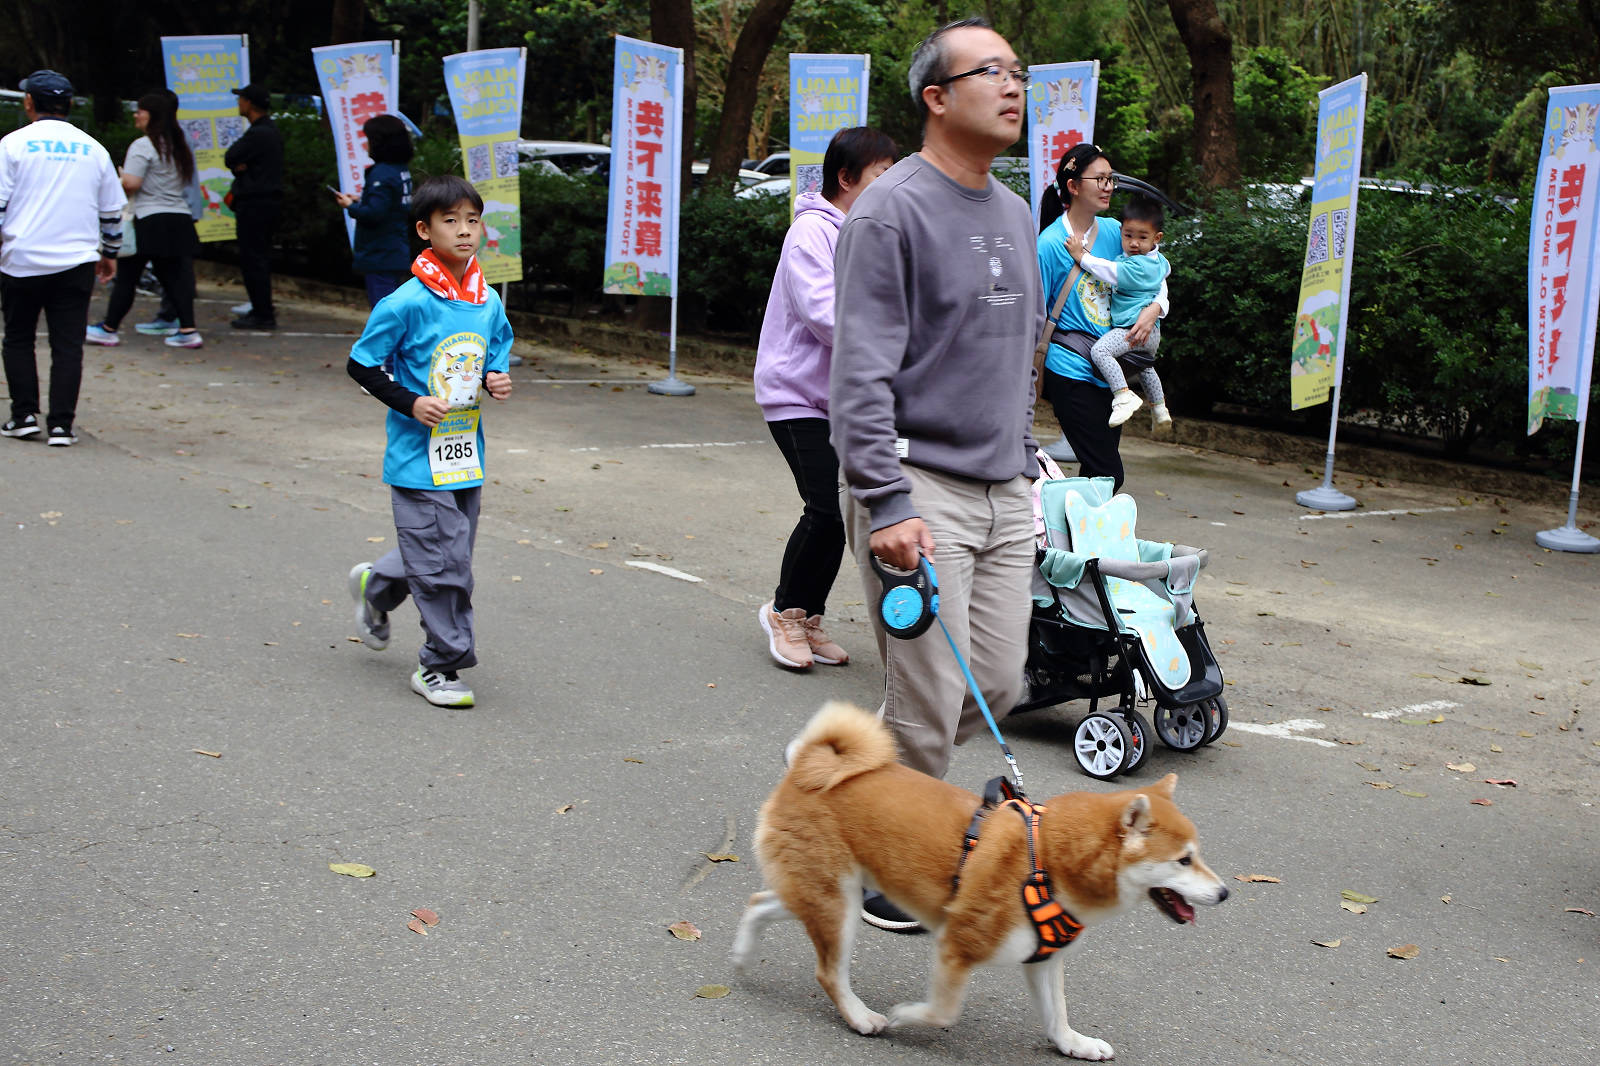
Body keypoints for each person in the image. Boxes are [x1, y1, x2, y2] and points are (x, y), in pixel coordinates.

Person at [830, 17, 1042, 931]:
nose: (1013, 86)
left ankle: (862, 786)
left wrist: (1033, 464)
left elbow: (1013, 352)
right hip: (918, 491)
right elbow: (860, 371)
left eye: (1018, 73)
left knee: (998, 687)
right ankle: (892, 863)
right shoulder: (890, 210)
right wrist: (884, 501)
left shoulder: (1016, 209)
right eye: (991, 71)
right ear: (937, 97)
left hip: (1007, 486)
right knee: (928, 702)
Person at [344, 175, 514, 709]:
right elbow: (361, 363)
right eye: (451, 221)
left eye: (472, 220)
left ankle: (378, 583)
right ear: (424, 230)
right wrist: (410, 403)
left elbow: (497, 347)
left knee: (448, 554)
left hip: (465, 454)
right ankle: (439, 665)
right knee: (446, 569)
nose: (465, 231)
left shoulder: (485, 298)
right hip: (417, 458)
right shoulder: (407, 300)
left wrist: (495, 377)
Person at [754, 125, 896, 671]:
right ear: (846, 177)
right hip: (796, 396)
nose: (892, 189)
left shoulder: (869, 232)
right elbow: (824, 314)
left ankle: (808, 618)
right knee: (827, 508)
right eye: (882, 177)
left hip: (841, 400)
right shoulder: (812, 232)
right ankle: (784, 613)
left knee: (844, 509)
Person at [0, 70, 125, 447]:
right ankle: (61, 425)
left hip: (20, 258)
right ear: (69, 105)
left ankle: (23, 416)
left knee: (18, 338)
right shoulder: (94, 149)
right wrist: (110, 253)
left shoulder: (12, 145)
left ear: (28, 103)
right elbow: (112, 212)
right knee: (67, 344)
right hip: (77, 261)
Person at [1035, 143, 1168, 490]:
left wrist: (1154, 310)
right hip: (1070, 369)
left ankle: (1071, 542)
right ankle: (1058, 531)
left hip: (1112, 373)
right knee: (1109, 473)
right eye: (1100, 178)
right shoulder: (1049, 244)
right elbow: (1033, 313)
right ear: (1074, 186)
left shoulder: (1118, 232)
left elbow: (1155, 277)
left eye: (1111, 179)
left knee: (1097, 477)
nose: (1109, 186)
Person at [85, 91, 204, 350]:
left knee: (128, 276)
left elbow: (131, 184)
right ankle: (188, 329)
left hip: (150, 218)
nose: (136, 115)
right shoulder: (180, 144)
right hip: (179, 216)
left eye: (140, 111)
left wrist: (118, 179)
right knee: (176, 276)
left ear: (153, 115)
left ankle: (108, 329)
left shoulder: (142, 145)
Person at [1066, 194, 1172, 427]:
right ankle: (1160, 409)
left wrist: (1080, 255)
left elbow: (1107, 270)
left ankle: (1123, 396)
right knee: (1144, 367)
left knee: (1100, 352)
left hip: (1133, 329)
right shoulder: (1160, 262)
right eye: (1128, 236)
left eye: (1142, 237)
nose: (1134, 243)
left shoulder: (1137, 266)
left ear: (1157, 237)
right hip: (1151, 333)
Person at [334, 114, 415, 307]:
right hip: (395, 249)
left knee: (384, 312)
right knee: (393, 309)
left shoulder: (382, 173)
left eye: (369, 140)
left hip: (380, 254)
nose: (366, 145)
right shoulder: (400, 170)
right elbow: (391, 205)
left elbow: (374, 214)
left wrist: (350, 206)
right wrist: (362, 200)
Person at [224, 83, 283, 330]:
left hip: (255, 203)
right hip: (265, 202)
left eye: (242, 99)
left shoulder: (259, 133)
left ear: (250, 103)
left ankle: (262, 312)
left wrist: (241, 165)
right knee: (258, 256)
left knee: (253, 257)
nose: (238, 104)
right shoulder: (269, 131)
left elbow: (231, 157)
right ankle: (261, 307)